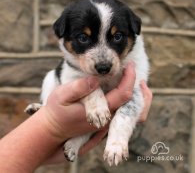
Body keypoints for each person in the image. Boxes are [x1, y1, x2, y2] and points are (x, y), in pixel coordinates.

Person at [0, 63, 152, 172]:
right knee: (51, 78)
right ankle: (46, 108)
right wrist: (50, 123)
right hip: (71, 107)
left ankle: (58, 123)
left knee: (93, 126)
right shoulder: (71, 69)